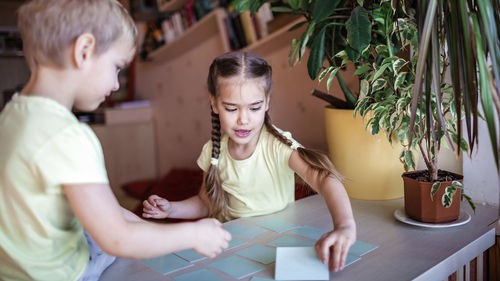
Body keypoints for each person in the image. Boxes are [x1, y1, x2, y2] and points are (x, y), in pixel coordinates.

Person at [0, 1, 231, 280]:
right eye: (117, 67)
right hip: (62, 274)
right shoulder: (68, 136)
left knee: (109, 217)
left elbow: (103, 208)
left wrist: (153, 229)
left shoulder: (12, 114)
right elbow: (117, 239)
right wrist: (192, 233)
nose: (116, 85)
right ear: (84, 51)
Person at [143, 51, 357, 272]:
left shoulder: (278, 146)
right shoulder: (212, 151)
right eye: (231, 108)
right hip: (231, 250)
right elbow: (206, 202)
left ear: (266, 103)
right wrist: (171, 210)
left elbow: (324, 179)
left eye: (254, 108)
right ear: (214, 103)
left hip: (276, 247)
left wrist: (345, 225)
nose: (243, 119)